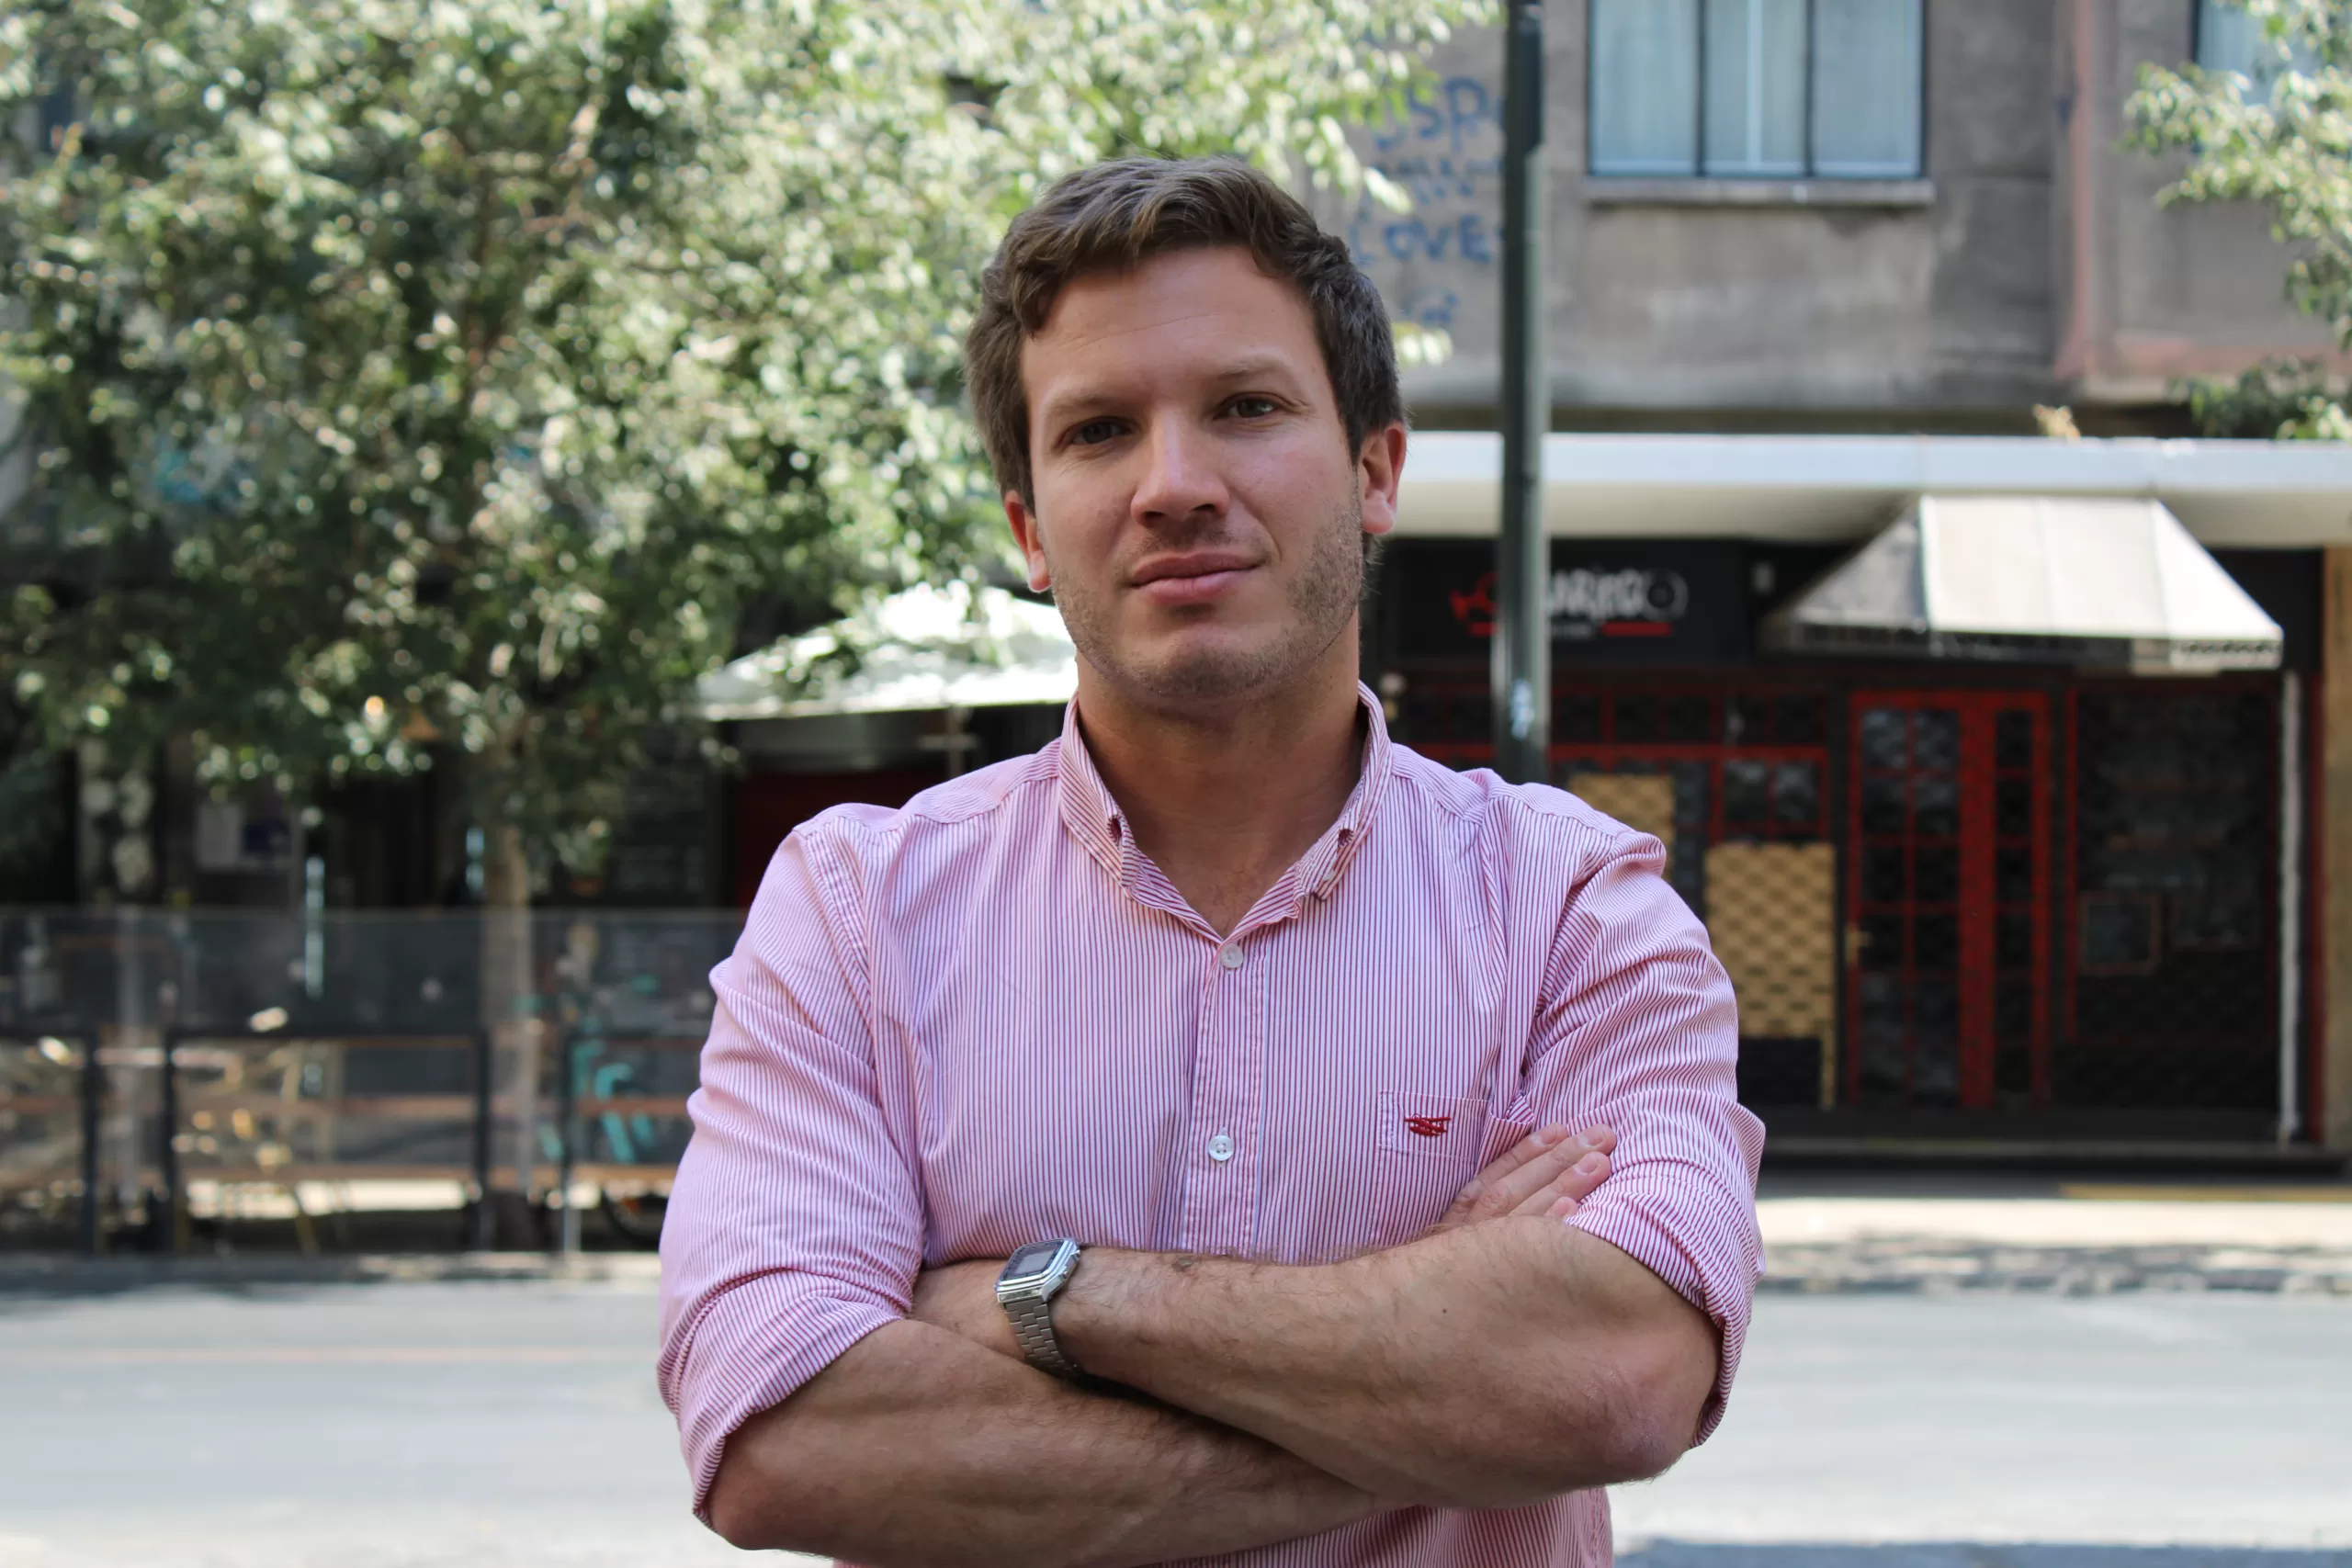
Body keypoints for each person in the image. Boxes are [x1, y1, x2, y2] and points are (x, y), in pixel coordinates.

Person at [657, 156, 1764, 1568]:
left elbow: (1622, 1370)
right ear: (1027, 528)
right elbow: (782, 1438)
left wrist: (1051, 1297)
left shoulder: (1573, 908)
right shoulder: (855, 913)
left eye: (1245, 407)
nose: (1174, 486)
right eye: (1099, 431)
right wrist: (1437, 1377)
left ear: (1376, 469)